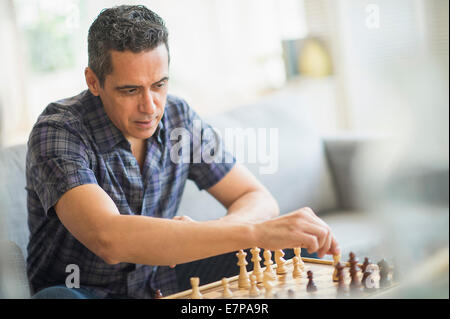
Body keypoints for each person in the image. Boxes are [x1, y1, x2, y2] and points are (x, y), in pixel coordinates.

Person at [26, 5, 340, 299]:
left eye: (159, 84)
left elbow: (256, 197)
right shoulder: (59, 131)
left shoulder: (178, 118)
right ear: (93, 81)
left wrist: (213, 233)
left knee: (296, 250)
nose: (150, 107)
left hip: (161, 279)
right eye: (130, 90)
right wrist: (254, 232)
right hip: (82, 289)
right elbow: (110, 239)